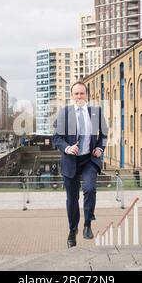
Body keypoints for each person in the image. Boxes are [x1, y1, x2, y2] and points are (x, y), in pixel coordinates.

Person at [53, 81, 108, 248]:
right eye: (76, 94)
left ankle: (87, 224)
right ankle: (72, 230)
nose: (79, 96)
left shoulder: (96, 112)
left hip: (89, 160)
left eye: (82, 93)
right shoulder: (64, 113)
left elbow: (104, 134)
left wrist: (100, 147)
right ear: (72, 96)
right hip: (71, 161)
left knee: (90, 189)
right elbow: (56, 138)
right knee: (72, 199)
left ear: (87, 95)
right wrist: (68, 148)